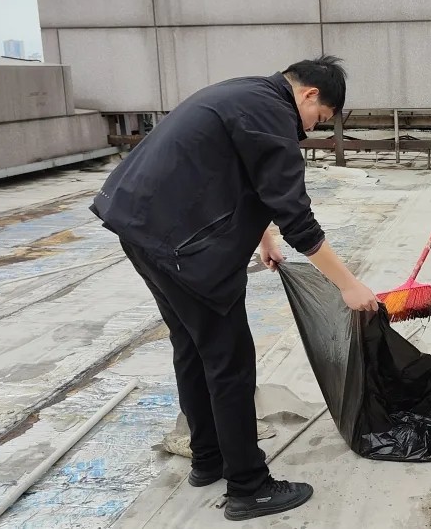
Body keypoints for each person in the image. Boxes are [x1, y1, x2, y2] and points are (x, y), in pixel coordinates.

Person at [89, 57, 379, 522]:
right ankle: (248, 486)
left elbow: (235, 171)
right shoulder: (274, 115)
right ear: (308, 95)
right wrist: (348, 285)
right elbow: (298, 218)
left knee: (191, 345)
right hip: (179, 246)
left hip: (139, 228)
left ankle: (208, 459)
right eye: (320, 117)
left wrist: (263, 237)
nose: (311, 129)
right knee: (230, 361)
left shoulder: (246, 94)